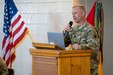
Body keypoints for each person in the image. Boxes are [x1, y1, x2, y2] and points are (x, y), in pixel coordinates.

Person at [63, 5, 99, 75]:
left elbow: (94, 45)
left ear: (83, 14)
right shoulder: (74, 29)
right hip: (76, 65)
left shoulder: (90, 29)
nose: (73, 16)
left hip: (89, 67)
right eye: (72, 14)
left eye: (75, 13)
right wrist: (65, 32)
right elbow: (65, 44)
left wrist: (80, 47)